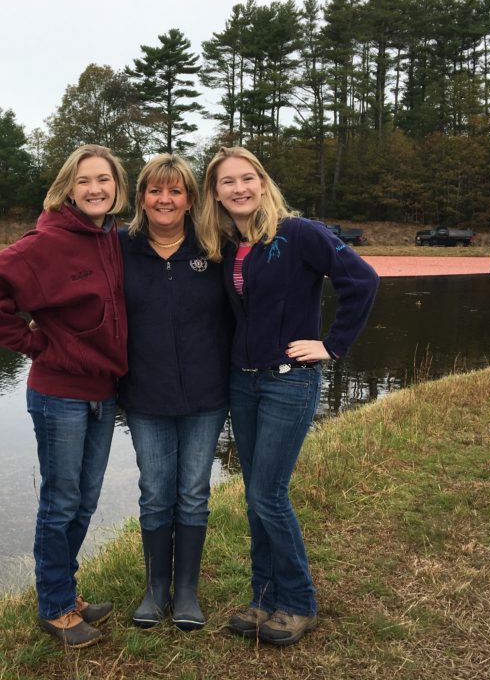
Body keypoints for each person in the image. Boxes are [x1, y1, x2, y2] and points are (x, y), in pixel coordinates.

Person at [199, 146, 379, 646]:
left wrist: (332, 344)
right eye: (226, 182)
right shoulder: (229, 243)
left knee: (267, 494)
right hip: (244, 381)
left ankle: (298, 602)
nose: (239, 188)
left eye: (247, 177)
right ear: (215, 193)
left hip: (288, 380)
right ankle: (263, 599)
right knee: (256, 496)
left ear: (262, 181)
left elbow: (361, 281)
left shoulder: (298, 232)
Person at [0, 144, 129, 649]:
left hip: (104, 391)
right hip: (60, 394)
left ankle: (66, 591)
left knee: (85, 500)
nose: (95, 188)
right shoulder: (48, 241)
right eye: (84, 181)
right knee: (60, 503)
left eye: (104, 179)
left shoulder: (110, 239)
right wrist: (34, 343)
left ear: (117, 187)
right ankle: (53, 606)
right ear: (68, 188)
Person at [118, 154, 231, 631]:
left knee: (192, 493)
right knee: (154, 493)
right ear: (142, 197)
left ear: (190, 199)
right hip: (145, 395)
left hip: (207, 395)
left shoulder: (216, 246)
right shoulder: (117, 246)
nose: (165, 199)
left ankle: (185, 591)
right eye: (155, 190)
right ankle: (155, 589)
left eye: (176, 191)